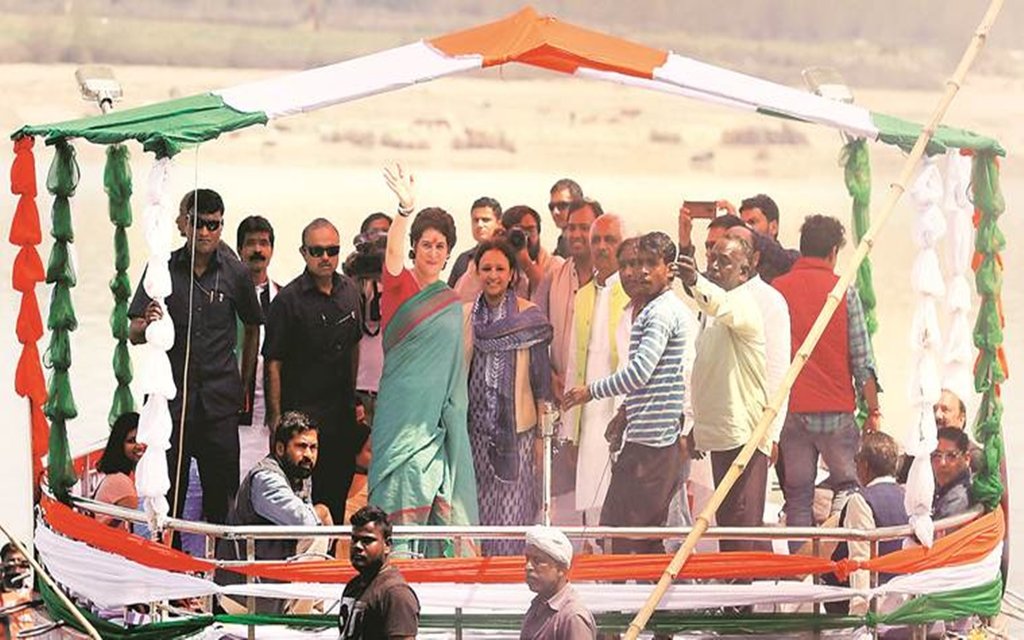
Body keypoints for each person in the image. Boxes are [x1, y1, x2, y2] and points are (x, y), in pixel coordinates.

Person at [128, 188, 263, 525]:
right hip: (170, 405)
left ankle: (220, 573)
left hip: (219, 404)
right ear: (184, 224)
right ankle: (169, 566)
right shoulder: (161, 269)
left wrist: (242, 383)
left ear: (221, 226)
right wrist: (148, 324)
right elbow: (132, 332)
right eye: (198, 224)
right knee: (167, 495)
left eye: (213, 225)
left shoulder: (235, 273)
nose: (205, 232)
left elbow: (253, 325)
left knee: (224, 501)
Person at [369, 163, 479, 556]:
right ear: (415, 246)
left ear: (449, 252)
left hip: (434, 426)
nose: (432, 252)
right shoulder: (401, 284)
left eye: (440, 246)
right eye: (426, 244)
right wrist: (404, 211)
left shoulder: (451, 304)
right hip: (399, 417)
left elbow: (454, 373)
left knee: (431, 493)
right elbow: (393, 254)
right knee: (392, 497)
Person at [564, 232, 689, 554]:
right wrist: (624, 414)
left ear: (669, 269)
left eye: (650, 264)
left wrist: (590, 392)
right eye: (634, 264)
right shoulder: (649, 309)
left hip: (654, 446)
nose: (641, 272)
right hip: (646, 438)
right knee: (631, 534)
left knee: (629, 535)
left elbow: (639, 372)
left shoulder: (660, 313)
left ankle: (632, 602)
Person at [772, 215, 881, 533]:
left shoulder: (777, 291)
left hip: (791, 411)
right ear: (833, 252)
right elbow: (863, 360)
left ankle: (802, 568)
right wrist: (873, 409)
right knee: (848, 486)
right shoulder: (843, 292)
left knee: (798, 496)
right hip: (836, 411)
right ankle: (841, 559)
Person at [264, 218, 363, 526]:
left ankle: (328, 568)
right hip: (302, 420)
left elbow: (355, 345)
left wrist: (354, 396)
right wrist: (275, 419)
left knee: (335, 499)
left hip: (341, 418)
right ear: (303, 252)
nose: (325, 258)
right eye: (317, 250)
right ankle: (300, 567)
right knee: (300, 504)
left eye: (332, 250)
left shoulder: (351, 291)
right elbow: (273, 362)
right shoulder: (287, 301)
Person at [677, 236, 771, 552]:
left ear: (744, 272)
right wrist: (696, 430)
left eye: (725, 262)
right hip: (721, 437)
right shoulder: (712, 311)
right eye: (712, 259)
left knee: (742, 534)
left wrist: (694, 281)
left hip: (745, 438)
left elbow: (720, 303)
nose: (714, 266)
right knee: (730, 530)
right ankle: (737, 599)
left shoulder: (742, 303)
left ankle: (744, 600)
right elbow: (706, 375)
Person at [464, 239, 553, 556]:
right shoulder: (465, 318)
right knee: (478, 512)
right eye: (486, 268)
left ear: (512, 274)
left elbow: (542, 382)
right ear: (476, 272)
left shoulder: (529, 317)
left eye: (500, 269)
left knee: (513, 514)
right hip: (474, 435)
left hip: (520, 435)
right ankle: (482, 589)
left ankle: (509, 586)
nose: (493, 275)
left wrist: (544, 438)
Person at [219, 411, 333, 614]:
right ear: (280, 448)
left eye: (313, 448)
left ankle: (308, 611)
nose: (308, 454)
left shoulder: (301, 475)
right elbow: (306, 524)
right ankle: (300, 618)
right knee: (316, 532)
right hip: (247, 596)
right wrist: (322, 511)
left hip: (272, 592)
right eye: (301, 446)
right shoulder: (266, 478)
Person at [562, 214, 629, 524]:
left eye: (610, 240)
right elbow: (576, 364)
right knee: (593, 508)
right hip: (589, 417)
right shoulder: (585, 294)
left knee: (623, 502)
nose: (602, 247)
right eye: (597, 241)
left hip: (623, 411)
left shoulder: (634, 293)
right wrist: (570, 432)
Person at [828, 431, 908, 616]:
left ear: (864, 465)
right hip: (905, 597)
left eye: (856, 460)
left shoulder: (861, 500)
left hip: (875, 602)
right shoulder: (906, 496)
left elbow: (860, 560)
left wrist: (860, 616)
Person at [235, 214, 280, 482]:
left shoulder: (284, 297)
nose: (257, 250)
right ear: (240, 249)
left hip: (270, 413)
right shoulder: (224, 297)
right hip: (236, 410)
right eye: (250, 243)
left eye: (264, 243)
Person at [339, 505, 420, 640]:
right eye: (354, 539)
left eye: (367, 540)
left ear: (387, 545)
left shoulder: (395, 593)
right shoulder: (354, 586)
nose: (357, 546)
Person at [520, 526, 596, 640]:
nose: (528, 567)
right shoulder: (538, 606)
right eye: (527, 559)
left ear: (561, 569)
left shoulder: (572, 617)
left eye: (538, 561)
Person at [92, 412, 147, 530]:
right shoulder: (120, 481)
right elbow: (140, 528)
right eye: (131, 441)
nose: (139, 445)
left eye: (142, 439)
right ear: (119, 445)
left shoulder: (123, 476)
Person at [448, 197, 502, 287]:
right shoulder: (464, 260)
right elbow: (450, 297)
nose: (479, 225)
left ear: (499, 223)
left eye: (485, 220)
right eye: (475, 220)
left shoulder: (511, 258)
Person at [932, 427, 973, 519]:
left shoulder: (957, 500)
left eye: (951, 456)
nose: (942, 463)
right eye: (937, 456)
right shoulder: (941, 488)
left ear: (966, 458)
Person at [548, 178, 584, 258]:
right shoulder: (562, 244)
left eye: (562, 205)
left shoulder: (591, 244)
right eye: (551, 207)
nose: (555, 212)